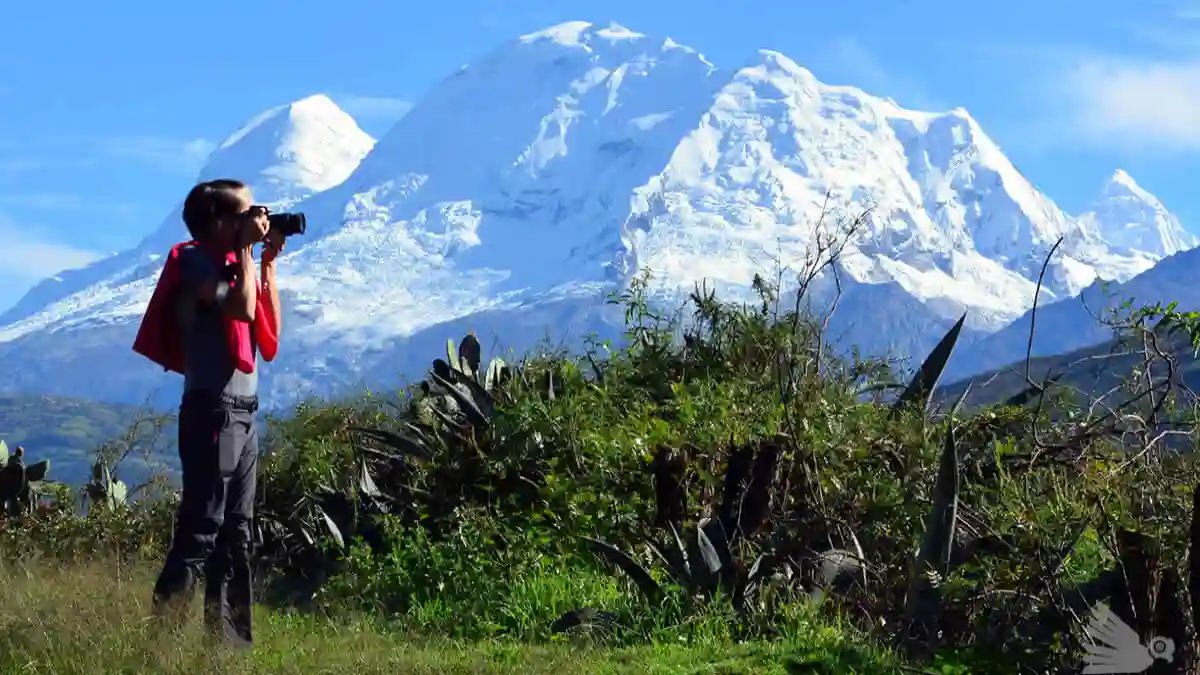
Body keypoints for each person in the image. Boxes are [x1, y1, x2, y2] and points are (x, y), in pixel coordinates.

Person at [144, 178, 284, 649]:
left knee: (237, 533)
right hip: (214, 410)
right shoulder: (193, 263)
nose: (255, 221)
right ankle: (160, 646)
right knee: (202, 529)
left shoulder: (233, 262)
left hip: (245, 409)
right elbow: (241, 309)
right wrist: (246, 254)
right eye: (246, 214)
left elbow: (270, 336)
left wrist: (266, 265)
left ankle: (226, 650)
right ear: (220, 222)